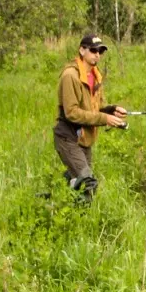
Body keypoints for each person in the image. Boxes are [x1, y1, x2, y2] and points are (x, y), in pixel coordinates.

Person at [53, 34, 127, 202]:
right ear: (82, 50)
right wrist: (104, 118)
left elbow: (95, 109)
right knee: (88, 182)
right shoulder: (70, 76)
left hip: (84, 140)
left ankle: (54, 202)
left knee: (76, 180)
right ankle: (77, 220)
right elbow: (71, 112)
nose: (97, 55)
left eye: (100, 51)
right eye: (93, 50)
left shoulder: (95, 75)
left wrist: (111, 110)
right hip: (68, 137)